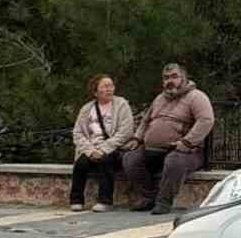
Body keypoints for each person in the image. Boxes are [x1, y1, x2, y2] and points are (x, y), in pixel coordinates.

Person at [121, 62, 214, 214]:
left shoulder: (196, 97)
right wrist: (136, 139)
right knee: (130, 159)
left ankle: (164, 202)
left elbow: (206, 120)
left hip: (186, 151)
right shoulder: (159, 99)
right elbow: (145, 121)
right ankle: (149, 197)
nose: (169, 81)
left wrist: (187, 142)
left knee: (174, 162)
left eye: (174, 76)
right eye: (166, 78)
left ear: (184, 78)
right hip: (153, 150)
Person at [69, 75, 134, 211]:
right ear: (95, 91)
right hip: (91, 148)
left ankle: (105, 201)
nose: (109, 89)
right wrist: (90, 150)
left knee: (106, 161)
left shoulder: (121, 104)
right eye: (105, 86)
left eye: (111, 85)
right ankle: (76, 200)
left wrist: (104, 149)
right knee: (81, 164)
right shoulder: (87, 109)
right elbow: (78, 133)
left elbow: (126, 131)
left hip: (113, 148)